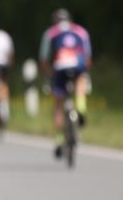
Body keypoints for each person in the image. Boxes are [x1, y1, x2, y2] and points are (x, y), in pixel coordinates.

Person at [39, 8, 92, 159]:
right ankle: (81, 109)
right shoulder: (81, 31)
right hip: (78, 64)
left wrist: (49, 74)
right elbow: (87, 57)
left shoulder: (51, 33)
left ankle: (59, 140)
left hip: (60, 66)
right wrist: (85, 73)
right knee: (80, 82)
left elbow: (43, 59)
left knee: (58, 104)